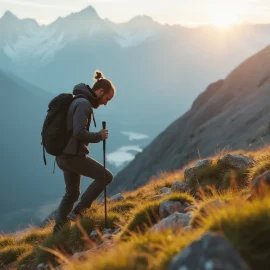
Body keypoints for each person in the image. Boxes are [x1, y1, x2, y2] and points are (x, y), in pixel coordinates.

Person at [53, 70, 116, 234]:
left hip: (63, 155)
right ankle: (79, 211)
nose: (106, 103)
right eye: (107, 99)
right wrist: (99, 136)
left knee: (72, 192)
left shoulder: (78, 100)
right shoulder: (83, 104)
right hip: (72, 157)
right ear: (100, 92)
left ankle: (59, 231)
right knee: (106, 176)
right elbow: (78, 132)